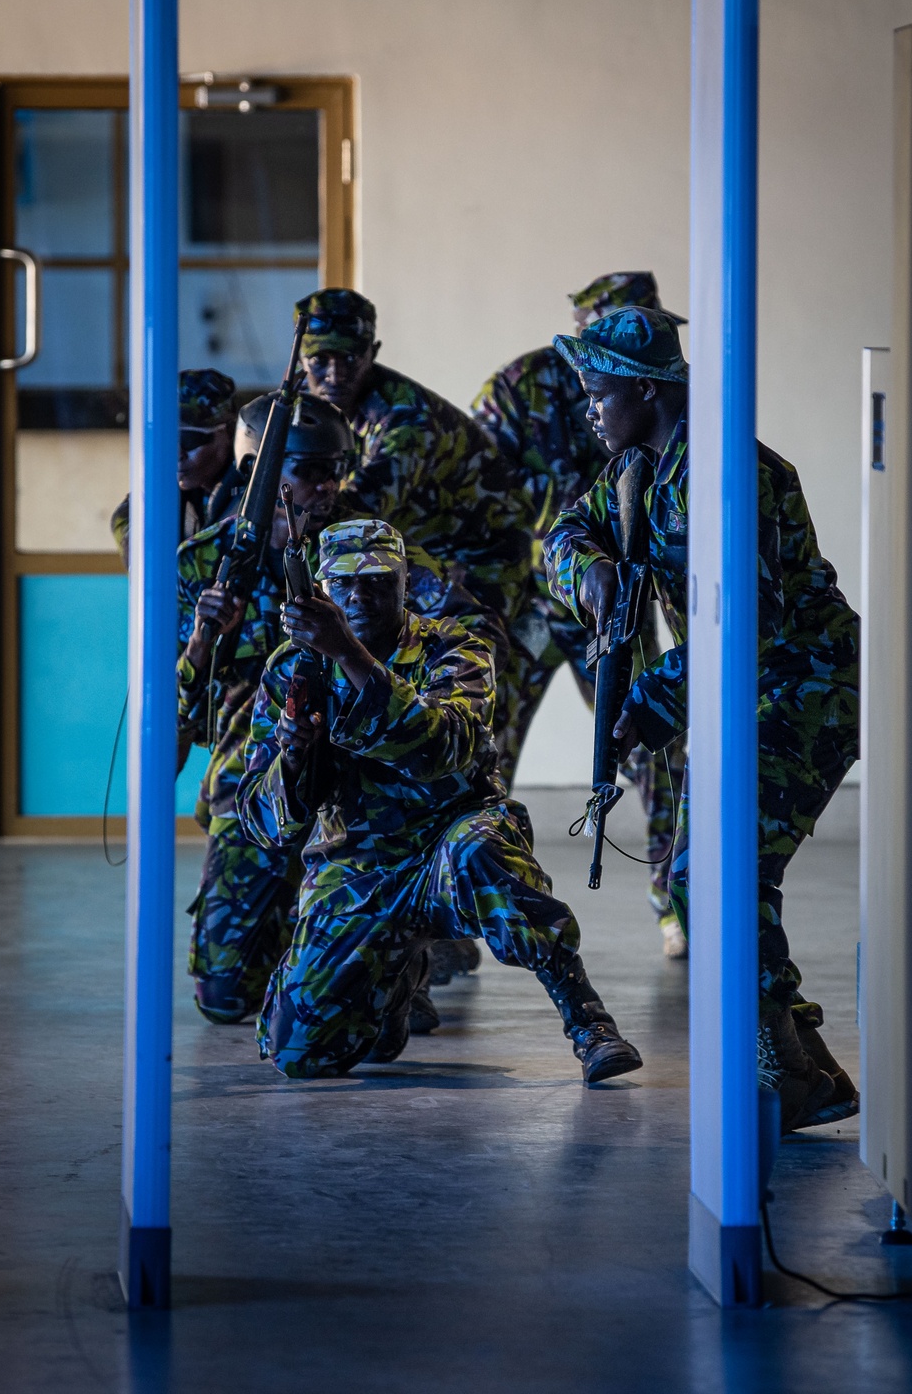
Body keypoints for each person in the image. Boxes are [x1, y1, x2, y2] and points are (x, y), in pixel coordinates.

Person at [543, 306, 860, 1132]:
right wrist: (595, 570)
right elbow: (565, 531)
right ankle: (806, 1072)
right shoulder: (640, 467)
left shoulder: (727, 475)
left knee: (714, 871)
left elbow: (746, 623)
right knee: (706, 872)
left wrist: (645, 705)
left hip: (807, 686)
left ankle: (784, 1071)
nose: (590, 411)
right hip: (741, 690)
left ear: (647, 390)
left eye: (599, 394)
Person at [236, 518, 643, 1084]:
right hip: (361, 864)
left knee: (484, 852)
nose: (362, 595)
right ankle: (395, 979)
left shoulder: (454, 646)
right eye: (347, 584)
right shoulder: (292, 668)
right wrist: (296, 761)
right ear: (323, 589)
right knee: (298, 1055)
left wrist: (349, 652)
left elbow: (443, 746)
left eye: (379, 581)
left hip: (449, 841)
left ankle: (588, 1022)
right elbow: (261, 820)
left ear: (405, 583)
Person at [181, 394, 496, 1026]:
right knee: (224, 997)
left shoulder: (361, 545)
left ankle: (405, 938)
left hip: (368, 757)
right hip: (264, 759)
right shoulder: (207, 562)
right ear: (259, 473)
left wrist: (422, 697)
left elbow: (468, 622)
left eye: (335, 469)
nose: (327, 485)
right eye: (308, 471)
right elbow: (174, 710)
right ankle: (308, 945)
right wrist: (202, 640)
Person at [471, 273, 687, 958]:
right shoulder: (518, 388)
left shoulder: (666, 428)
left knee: (653, 745)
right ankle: (465, 910)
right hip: (531, 604)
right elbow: (473, 487)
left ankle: (674, 898)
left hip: (616, 607)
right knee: (483, 742)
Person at [294, 288, 533, 633]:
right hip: (408, 552)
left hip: (481, 556)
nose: (335, 373)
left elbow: (351, 514)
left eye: (349, 358)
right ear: (301, 359)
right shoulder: (304, 411)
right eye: (320, 359)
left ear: (372, 353)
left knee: (468, 656)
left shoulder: (407, 420)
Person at [111, 368, 241, 567]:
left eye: (190, 439)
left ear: (230, 432)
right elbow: (124, 518)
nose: (177, 453)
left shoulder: (256, 491)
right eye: (167, 439)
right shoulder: (166, 486)